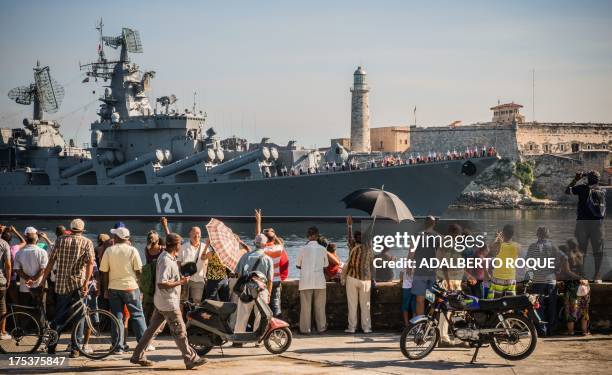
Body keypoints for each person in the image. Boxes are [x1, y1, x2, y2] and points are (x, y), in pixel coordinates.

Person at [130, 233, 206, 369]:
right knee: (180, 332)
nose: (181, 246)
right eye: (180, 244)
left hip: (161, 302)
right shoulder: (166, 260)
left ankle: (137, 356)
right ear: (176, 245)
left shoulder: (168, 257)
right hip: (169, 303)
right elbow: (161, 283)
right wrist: (181, 282)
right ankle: (191, 359)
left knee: (151, 330)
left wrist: (180, 278)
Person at [40, 218, 95, 358]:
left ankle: (52, 346)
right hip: (78, 283)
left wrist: (43, 280)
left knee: (59, 314)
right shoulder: (87, 242)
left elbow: (51, 261)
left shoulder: (60, 240)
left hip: (61, 284)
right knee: (80, 316)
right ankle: (75, 348)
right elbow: (90, 264)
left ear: (70, 228)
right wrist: (86, 282)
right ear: (82, 230)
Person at [100, 226, 148, 353]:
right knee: (138, 315)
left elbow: (104, 272)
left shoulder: (109, 251)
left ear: (116, 238)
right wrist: (141, 288)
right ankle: (143, 345)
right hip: (131, 287)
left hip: (114, 288)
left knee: (117, 317)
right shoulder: (133, 250)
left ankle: (118, 347)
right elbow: (139, 271)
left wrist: (105, 289)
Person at [565, 170, 606, 282]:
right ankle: (597, 276)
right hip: (598, 224)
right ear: (598, 180)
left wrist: (576, 179)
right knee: (598, 251)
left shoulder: (583, 188)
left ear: (588, 179)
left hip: (583, 223)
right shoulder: (602, 190)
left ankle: (582, 275)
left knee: (581, 250)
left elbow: (567, 190)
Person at [233, 234, 274, 343]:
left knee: (242, 315)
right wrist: (269, 294)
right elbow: (270, 280)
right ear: (265, 245)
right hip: (261, 291)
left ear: (254, 243)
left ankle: (238, 340)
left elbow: (238, 273)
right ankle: (258, 340)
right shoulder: (268, 259)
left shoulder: (245, 256)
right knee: (260, 316)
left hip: (246, 290)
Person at [526, 226, 563, 336]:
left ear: (537, 235)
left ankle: (542, 330)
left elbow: (528, 262)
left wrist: (534, 272)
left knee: (538, 305)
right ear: (548, 235)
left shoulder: (533, 246)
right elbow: (561, 259)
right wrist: (556, 271)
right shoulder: (553, 246)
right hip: (551, 279)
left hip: (538, 280)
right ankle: (551, 330)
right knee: (552, 305)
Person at [162, 218, 207, 305]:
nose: (197, 235)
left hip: (199, 280)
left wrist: (205, 275)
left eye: (198, 233)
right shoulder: (183, 247)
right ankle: (182, 318)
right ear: (190, 234)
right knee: (182, 301)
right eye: (195, 233)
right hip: (184, 279)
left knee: (197, 302)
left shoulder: (205, 247)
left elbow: (206, 262)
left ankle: (193, 318)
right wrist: (180, 276)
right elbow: (178, 263)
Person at [436, 223, 466, 346]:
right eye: (459, 234)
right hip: (448, 282)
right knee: (448, 310)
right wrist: (448, 283)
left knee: (451, 310)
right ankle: (444, 338)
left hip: (453, 281)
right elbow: (444, 265)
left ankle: (445, 337)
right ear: (455, 233)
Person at [342, 216, 373, 333]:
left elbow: (349, 238)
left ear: (355, 239)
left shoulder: (353, 246)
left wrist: (349, 226)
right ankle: (366, 327)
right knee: (366, 305)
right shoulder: (368, 247)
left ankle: (352, 327)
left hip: (352, 277)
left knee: (352, 304)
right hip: (365, 279)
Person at [255, 209, 288, 317]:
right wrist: (274, 234)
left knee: (263, 304)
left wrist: (258, 221)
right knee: (276, 303)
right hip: (276, 280)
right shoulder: (278, 249)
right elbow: (278, 242)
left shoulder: (263, 250)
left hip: (264, 280)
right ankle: (278, 323)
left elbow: (258, 237)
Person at [296, 227, 328, 334]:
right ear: (317, 236)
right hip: (320, 281)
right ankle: (321, 328)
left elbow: (298, 265)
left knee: (305, 307)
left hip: (305, 281)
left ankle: (305, 329)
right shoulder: (323, 249)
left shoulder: (302, 249)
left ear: (308, 236)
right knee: (320, 307)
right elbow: (326, 265)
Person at [13, 227, 48, 311]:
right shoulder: (42, 252)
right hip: (38, 287)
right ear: (36, 239)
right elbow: (43, 269)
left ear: (25, 238)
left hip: (24, 287)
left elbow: (17, 269)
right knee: (40, 311)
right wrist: (33, 279)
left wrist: (28, 279)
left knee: (25, 310)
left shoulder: (19, 253)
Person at [562, 239, 591, 336]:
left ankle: (571, 331)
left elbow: (567, 271)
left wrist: (578, 278)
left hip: (572, 286)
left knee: (571, 310)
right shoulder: (581, 254)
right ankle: (584, 331)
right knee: (584, 309)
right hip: (584, 285)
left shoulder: (566, 256)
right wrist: (583, 279)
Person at [413, 216, 439, 317]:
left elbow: (411, 252)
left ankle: (420, 324)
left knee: (420, 300)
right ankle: (429, 323)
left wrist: (409, 268)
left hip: (420, 272)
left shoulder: (417, 235)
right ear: (434, 224)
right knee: (431, 299)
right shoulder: (437, 237)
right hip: (431, 272)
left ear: (424, 223)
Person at [487, 224, 520, 299]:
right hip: (511, 278)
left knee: (496, 301)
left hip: (498, 277)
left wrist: (496, 237)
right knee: (510, 301)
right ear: (513, 234)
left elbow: (489, 248)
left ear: (503, 233)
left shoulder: (498, 245)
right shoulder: (517, 246)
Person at [0, 230, 11, 340]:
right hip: (0, 280)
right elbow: (7, 264)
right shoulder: (4, 244)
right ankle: (2, 332)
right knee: (2, 308)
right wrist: (8, 279)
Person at [400, 256, 415, 328]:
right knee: (412, 305)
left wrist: (401, 281)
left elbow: (401, 274)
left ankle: (409, 324)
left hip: (408, 286)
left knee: (408, 305)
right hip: (412, 286)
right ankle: (410, 324)